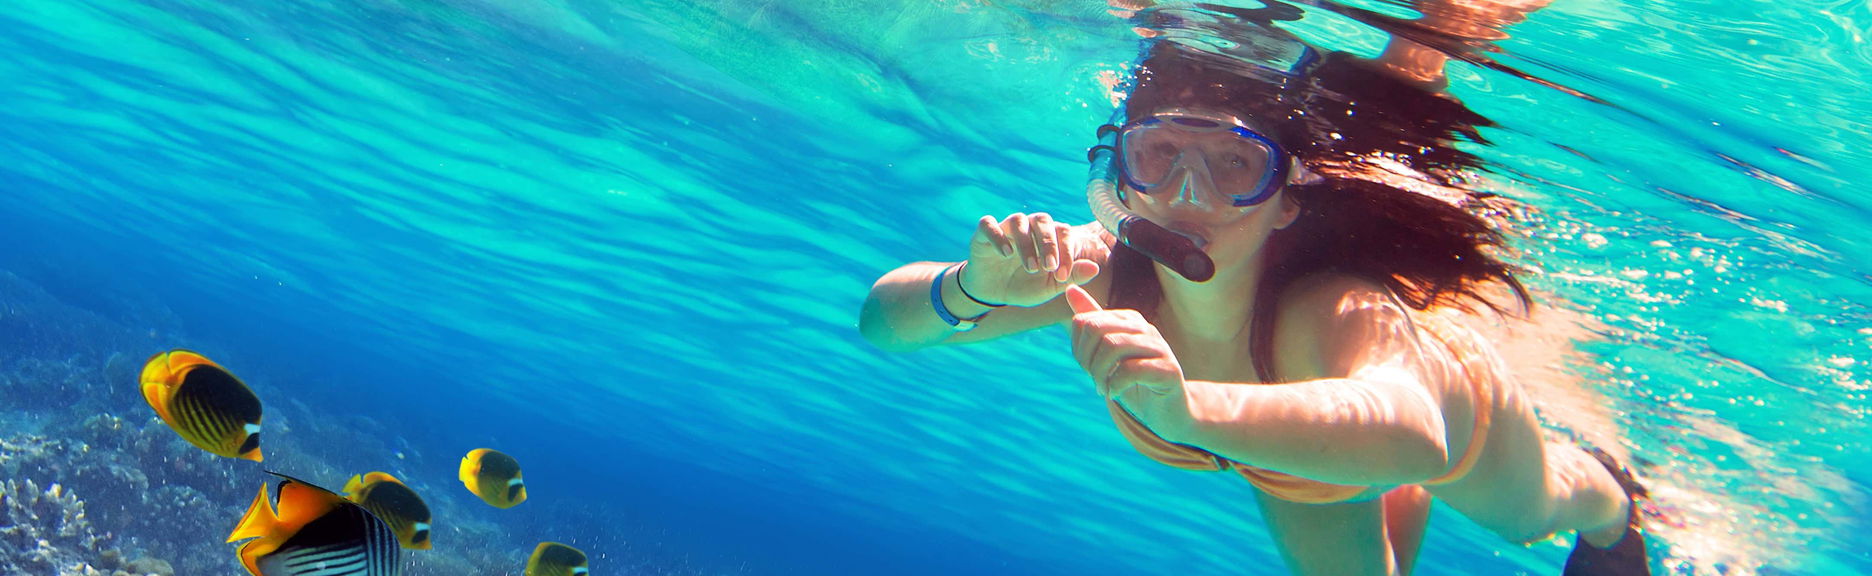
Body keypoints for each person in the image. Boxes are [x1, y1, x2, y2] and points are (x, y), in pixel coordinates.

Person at [858, 3, 1650, 575]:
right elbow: (882, 325)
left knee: (1536, 514)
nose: (1190, 194)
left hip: (1443, 414)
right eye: (1159, 155)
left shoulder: (1332, 306)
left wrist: (1183, 408)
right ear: (1119, 179)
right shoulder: (1100, 273)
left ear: (1287, 197)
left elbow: (1413, 431)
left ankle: (1616, 505)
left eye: (1235, 164)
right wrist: (973, 287)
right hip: (1298, 462)